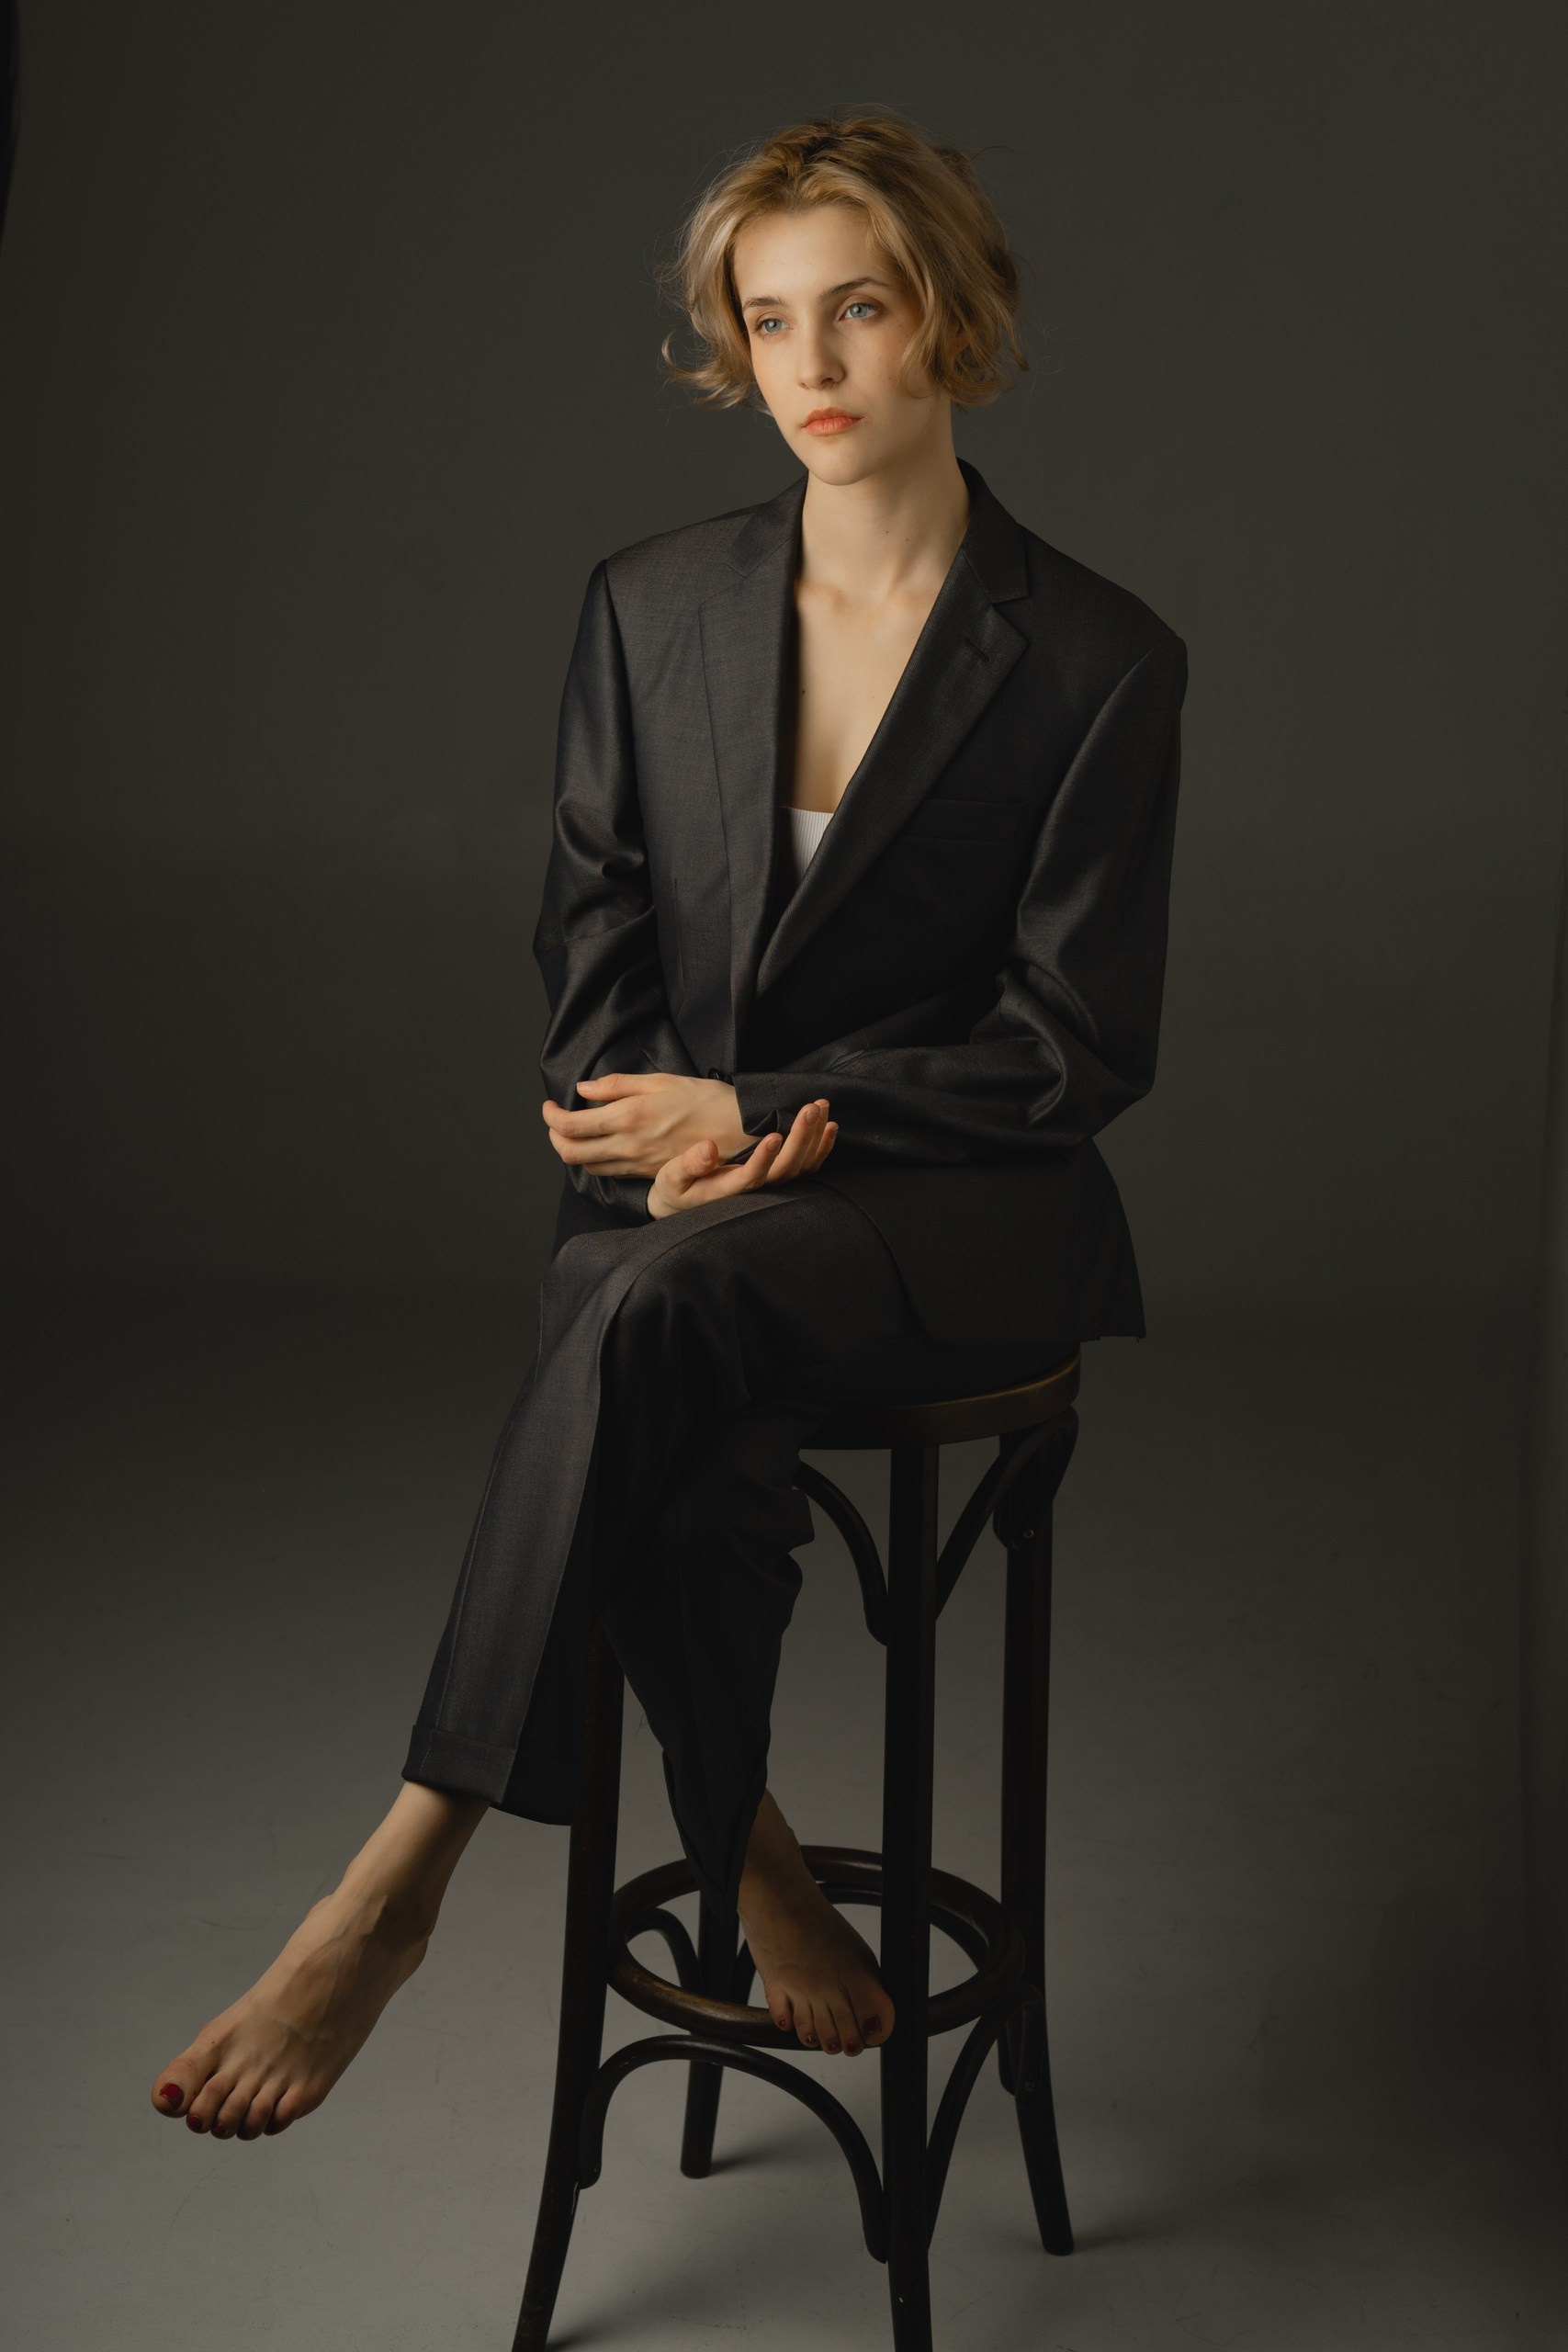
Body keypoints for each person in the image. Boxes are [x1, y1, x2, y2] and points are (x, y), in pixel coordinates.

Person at [149, 107, 1187, 2143]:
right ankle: (744, 1836)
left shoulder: (1096, 657)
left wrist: (776, 1104)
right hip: (687, 1198)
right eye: (769, 320)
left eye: (858, 308)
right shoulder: (650, 603)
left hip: (952, 1205)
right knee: (658, 1327)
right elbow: (594, 930)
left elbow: (1076, 1042)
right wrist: (657, 1133)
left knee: (628, 1314)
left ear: (954, 314)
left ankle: (397, 1876)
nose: (809, 365)